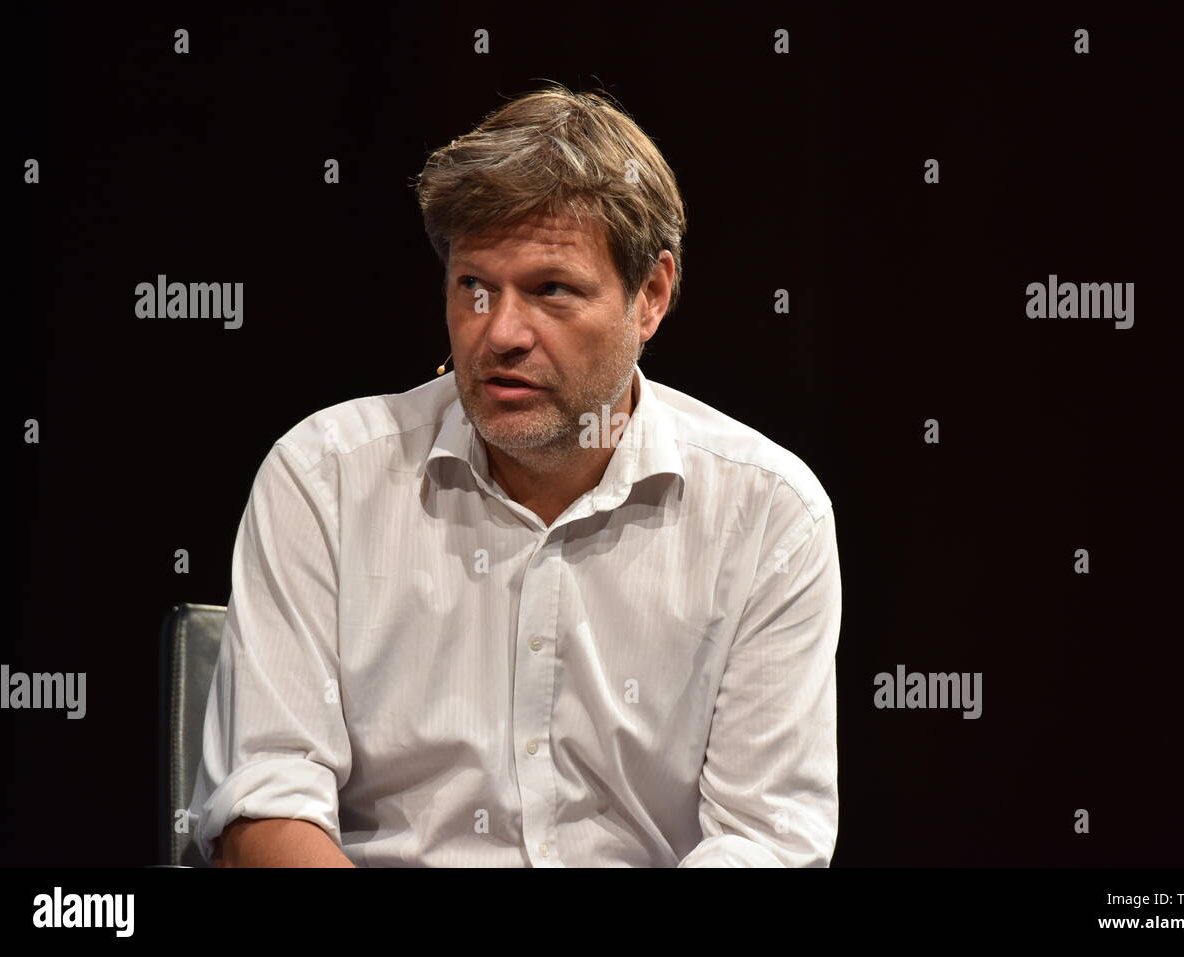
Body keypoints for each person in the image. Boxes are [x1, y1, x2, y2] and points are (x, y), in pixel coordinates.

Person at [188, 83, 841, 867]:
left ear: (652, 296)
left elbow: (763, 840)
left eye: (549, 289)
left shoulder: (769, 511)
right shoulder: (323, 476)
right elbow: (265, 802)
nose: (499, 332)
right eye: (474, 287)